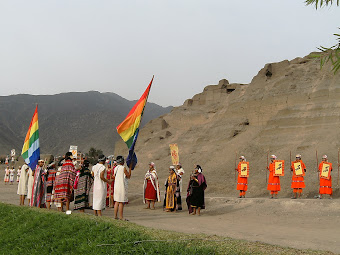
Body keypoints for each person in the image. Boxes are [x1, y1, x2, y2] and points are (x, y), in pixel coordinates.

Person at [113, 156, 132, 220]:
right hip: (121, 186)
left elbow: (113, 176)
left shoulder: (115, 168)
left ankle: (115, 216)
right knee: (121, 202)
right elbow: (128, 176)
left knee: (116, 202)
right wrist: (130, 169)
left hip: (116, 186)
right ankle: (121, 217)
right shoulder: (123, 168)